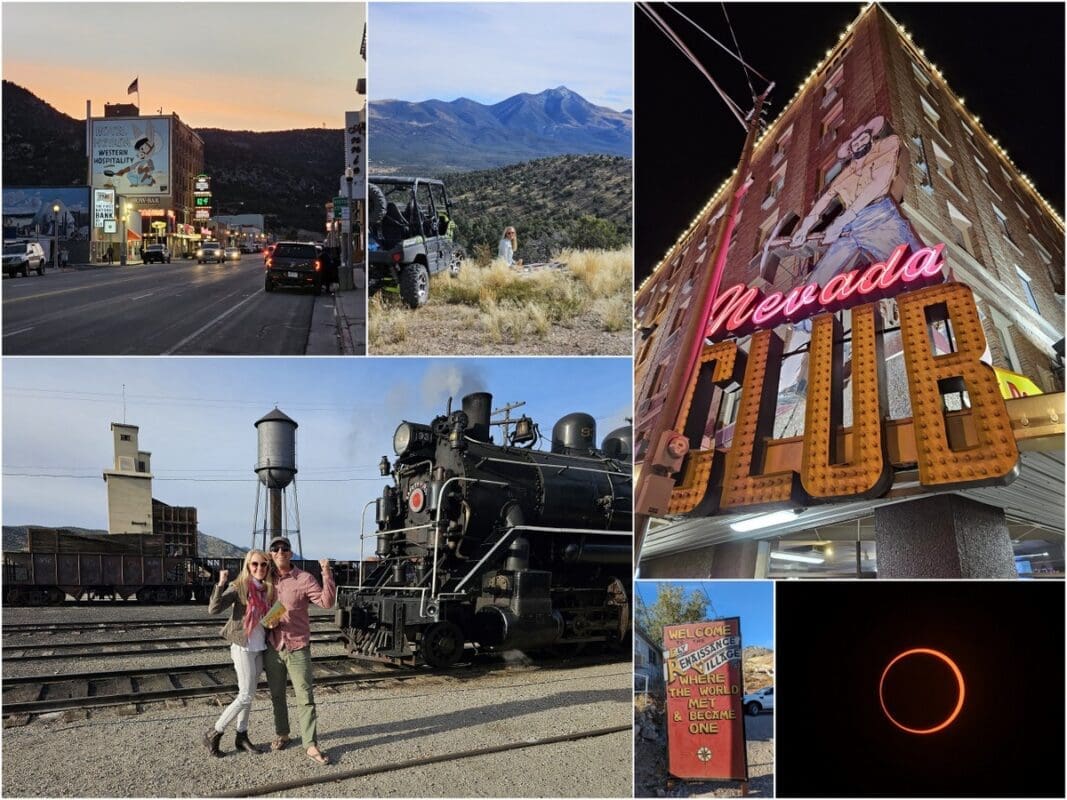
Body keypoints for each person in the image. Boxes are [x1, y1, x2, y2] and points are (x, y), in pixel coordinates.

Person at [789, 115, 923, 287]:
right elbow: (827, 196)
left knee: (912, 273)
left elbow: (879, 183)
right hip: (851, 226)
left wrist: (843, 219)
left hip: (880, 218)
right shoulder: (847, 172)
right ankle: (804, 306)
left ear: (871, 137)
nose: (859, 144)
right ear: (851, 150)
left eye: (862, 139)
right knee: (816, 284)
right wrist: (805, 228)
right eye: (855, 144)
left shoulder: (887, 144)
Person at [264, 536, 336, 765]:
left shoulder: (304, 578)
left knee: (305, 698)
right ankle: (282, 733)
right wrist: (268, 622)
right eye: (275, 548)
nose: (280, 551)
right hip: (273, 647)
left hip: (297, 647)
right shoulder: (265, 578)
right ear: (271, 553)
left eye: (284, 548)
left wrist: (327, 572)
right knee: (277, 695)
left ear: (291, 553)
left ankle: (310, 744)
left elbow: (327, 603)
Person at [203, 550, 276, 758]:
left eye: (263, 565)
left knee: (249, 696)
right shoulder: (240, 587)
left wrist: (274, 621)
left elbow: (268, 618)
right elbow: (213, 609)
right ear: (248, 566)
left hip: (259, 646)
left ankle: (241, 736)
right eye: (255, 564)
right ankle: (214, 731)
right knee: (245, 694)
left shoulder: (268, 590)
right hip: (242, 647)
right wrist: (221, 583)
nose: (259, 568)